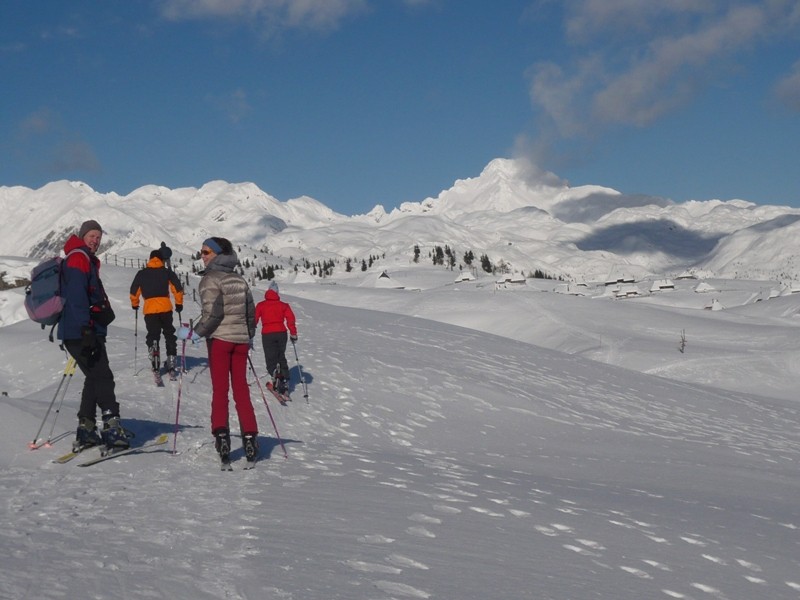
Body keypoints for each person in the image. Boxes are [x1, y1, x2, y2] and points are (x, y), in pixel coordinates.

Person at [180, 237, 258, 463]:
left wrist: (195, 333)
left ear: (217, 254)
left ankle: (222, 435)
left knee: (221, 390)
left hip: (220, 341)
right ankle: (250, 437)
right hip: (241, 341)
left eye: (205, 252)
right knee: (241, 389)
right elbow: (250, 313)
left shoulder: (209, 280)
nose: (201, 257)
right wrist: (248, 335)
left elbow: (212, 315)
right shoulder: (239, 279)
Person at [58, 220, 130, 451]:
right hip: (81, 330)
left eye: (98, 237)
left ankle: (87, 429)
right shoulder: (79, 257)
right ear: (82, 236)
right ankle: (112, 427)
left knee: (94, 376)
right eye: (91, 235)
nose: (95, 240)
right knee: (103, 376)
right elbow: (77, 294)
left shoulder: (82, 257)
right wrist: (86, 328)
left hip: (81, 329)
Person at [129, 249, 184, 374]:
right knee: (169, 333)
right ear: (161, 260)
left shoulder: (142, 273)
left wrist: (135, 304)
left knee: (153, 335)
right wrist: (179, 303)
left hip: (150, 310)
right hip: (166, 308)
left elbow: (134, 291)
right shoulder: (167, 272)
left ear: (150, 259)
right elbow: (177, 288)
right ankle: (171, 359)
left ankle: (155, 358)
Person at [254, 280, 297, 395]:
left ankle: (275, 375)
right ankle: (285, 379)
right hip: (281, 333)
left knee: (270, 357)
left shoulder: (261, 305)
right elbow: (291, 319)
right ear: (277, 293)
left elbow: (254, 319)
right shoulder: (283, 305)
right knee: (280, 355)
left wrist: (250, 331)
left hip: (267, 334)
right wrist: (293, 333)